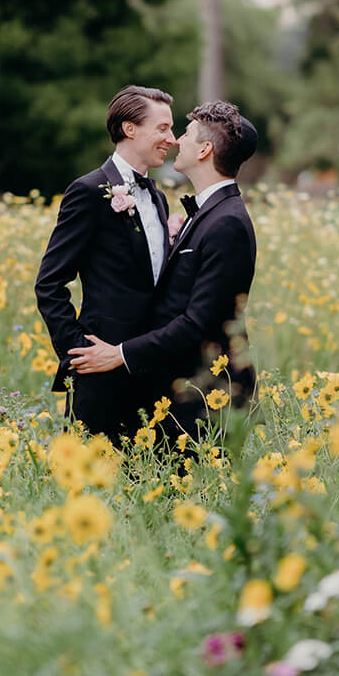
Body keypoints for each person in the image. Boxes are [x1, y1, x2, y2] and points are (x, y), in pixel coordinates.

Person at [68, 100, 257, 441]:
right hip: (178, 393)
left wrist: (119, 354)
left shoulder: (227, 222)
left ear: (205, 149)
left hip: (205, 401)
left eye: (186, 133)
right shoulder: (209, 214)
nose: (176, 140)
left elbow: (199, 322)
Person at [34, 85, 176, 444]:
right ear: (130, 129)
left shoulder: (158, 198)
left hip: (151, 368)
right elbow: (49, 283)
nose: (172, 139)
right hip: (100, 375)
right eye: (162, 128)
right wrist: (79, 352)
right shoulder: (88, 191)